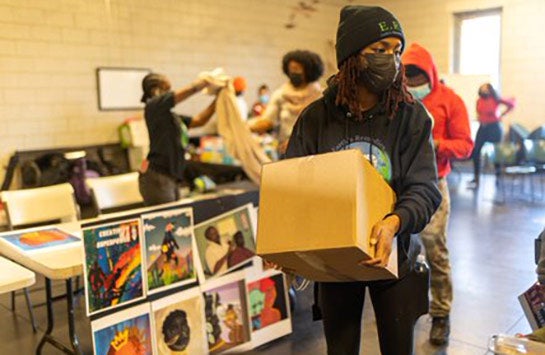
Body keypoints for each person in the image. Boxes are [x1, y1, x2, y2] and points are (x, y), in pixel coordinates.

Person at [285, 6, 442, 354]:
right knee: (339, 348)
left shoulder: (411, 116)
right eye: (379, 50)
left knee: (398, 347)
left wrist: (394, 222)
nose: (392, 59)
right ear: (352, 57)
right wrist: (287, 241)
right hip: (335, 257)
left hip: (394, 254)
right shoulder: (316, 118)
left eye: (396, 50)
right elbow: (291, 185)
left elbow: (425, 188)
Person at [403, 42, 474, 346]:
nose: (413, 86)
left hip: (433, 183)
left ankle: (441, 313)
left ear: (430, 75)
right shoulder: (398, 97)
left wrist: (437, 144)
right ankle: (402, 310)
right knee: (399, 253)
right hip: (399, 184)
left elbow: (466, 145)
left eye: (418, 80)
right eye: (407, 79)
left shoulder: (450, 101)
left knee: (434, 249)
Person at [139, 73, 216, 206]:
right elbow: (182, 94)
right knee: (167, 218)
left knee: (175, 217)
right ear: (156, 90)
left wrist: (218, 100)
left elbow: (199, 121)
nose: (168, 93)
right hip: (157, 177)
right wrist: (203, 83)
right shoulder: (153, 107)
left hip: (170, 177)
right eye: (166, 89)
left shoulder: (170, 117)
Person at [249, 50, 324, 155]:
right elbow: (268, 121)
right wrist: (246, 127)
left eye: (297, 69)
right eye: (291, 69)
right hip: (285, 151)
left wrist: (297, 143)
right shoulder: (280, 94)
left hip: (313, 152)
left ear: (308, 71)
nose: (293, 73)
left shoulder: (320, 96)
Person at [469, 83, 515, 188]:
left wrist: (502, 114)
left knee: (496, 154)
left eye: (486, 88)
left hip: (494, 128)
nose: (484, 90)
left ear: (490, 90)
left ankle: (498, 177)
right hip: (483, 127)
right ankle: (476, 178)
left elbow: (512, 104)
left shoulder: (495, 99)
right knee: (476, 152)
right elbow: (478, 112)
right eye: (482, 88)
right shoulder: (479, 100)